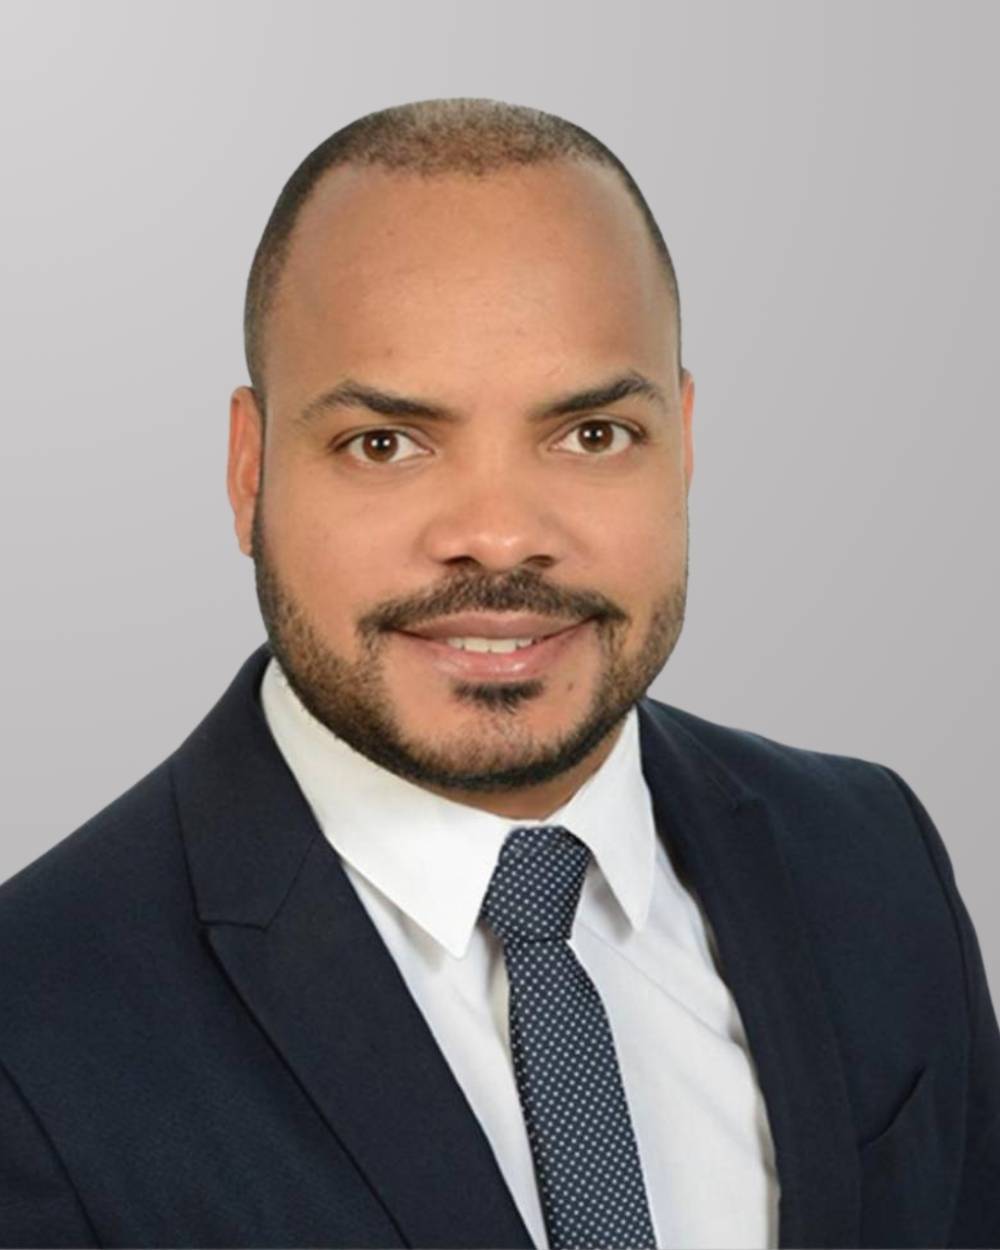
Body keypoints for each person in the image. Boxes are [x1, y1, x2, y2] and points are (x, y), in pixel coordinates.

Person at [0, 96, 996, 1250]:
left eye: (590, 434)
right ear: (249, 470)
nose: (499, 533)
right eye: (385, 443)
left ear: (681, 443)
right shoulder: (34, 1033)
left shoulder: (873, 858)